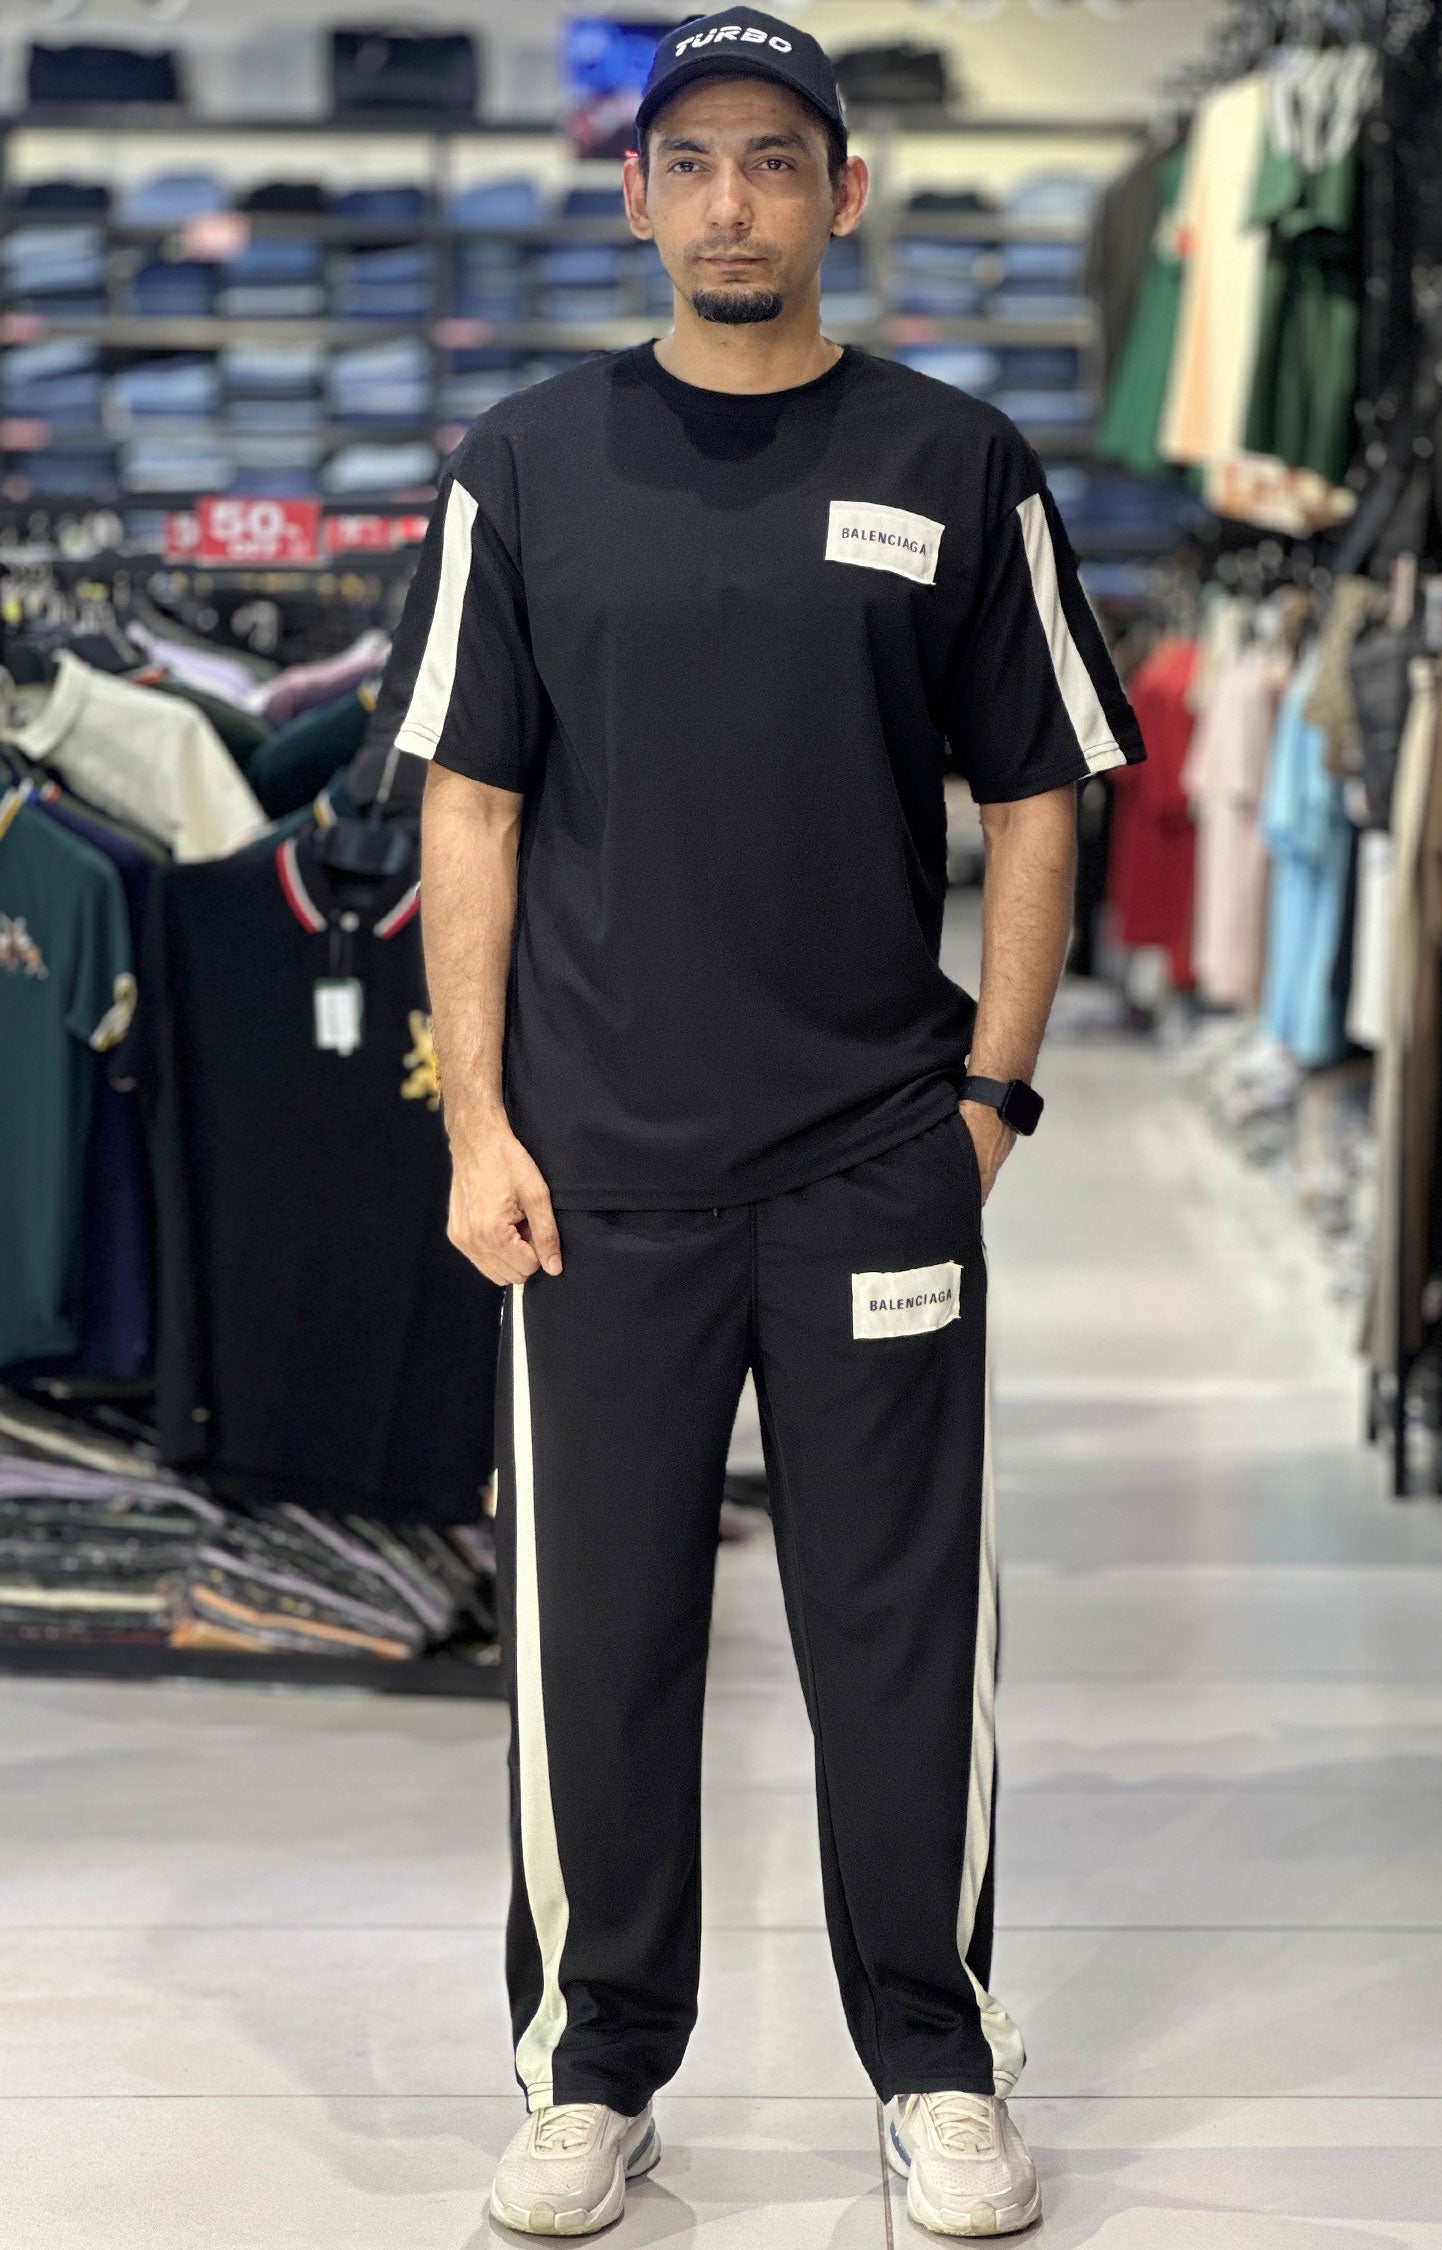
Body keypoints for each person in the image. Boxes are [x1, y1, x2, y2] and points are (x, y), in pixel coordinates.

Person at [372, 9, 1145, 2235]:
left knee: (898, 1635)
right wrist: (476, 1123)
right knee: (596, 1642)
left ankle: (938, 2063)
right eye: (693, 163)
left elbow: (1040, 792)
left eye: (776, 163)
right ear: (634, 196)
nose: (734, 203)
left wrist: (990, 1093)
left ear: (842, 195)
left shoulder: (956, 459)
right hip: (595, 1177)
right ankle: (590, 2070)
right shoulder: (523, 466)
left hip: (872, 1154)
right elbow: (468, 806)